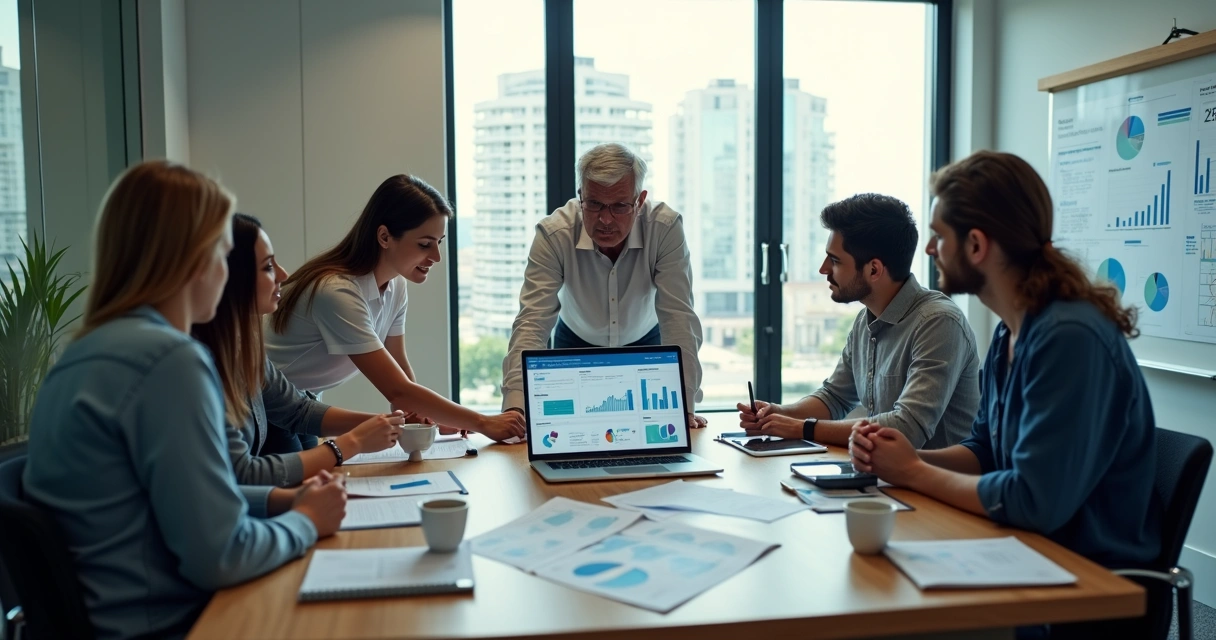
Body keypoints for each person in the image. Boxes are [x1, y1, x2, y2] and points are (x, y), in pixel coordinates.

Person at [23, 161, 347, 640]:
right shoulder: (169, 362)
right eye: (222, 251)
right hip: (171, 625)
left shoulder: (84, 353)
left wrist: (282, 500)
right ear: (193, 260)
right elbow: (222, 555)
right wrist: (305, 521)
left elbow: (178, 502)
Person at [850, 150, 1160, 571]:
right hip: (1021, 549)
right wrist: (901, 457)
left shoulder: (1069, 338)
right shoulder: (1010, 332)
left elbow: (1034, 501)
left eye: (940, 235)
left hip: (1081, 575)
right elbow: (985, 450)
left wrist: (913, 473)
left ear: (976, 244)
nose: (929, 248)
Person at [267, 174, 525, 444]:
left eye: (440, 242)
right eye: (425, 244)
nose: (436, 256)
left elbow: (400, 371)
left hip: (301, 400)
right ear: (384, 236)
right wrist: (482, 422)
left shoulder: (395, 286)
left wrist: (430, 418)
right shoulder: (337, 291)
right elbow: (398, 391)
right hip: (260, 400)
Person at [738, 194, 980, 449]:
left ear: (874, 270)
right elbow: (835, 398)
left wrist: (803, 428)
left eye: (835, 260)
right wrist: (778, 413)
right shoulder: (865, 320)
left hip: (932, 486)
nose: (823, 269)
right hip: (882, 479)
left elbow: (907, 428)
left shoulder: (938, 323)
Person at [194, 213, 412, 486]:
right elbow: (243, 475)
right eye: (267, 266)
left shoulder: (242, 345)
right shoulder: (199, 363)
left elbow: (298, 410)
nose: (283, 275)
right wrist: (352, 442)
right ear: (228, 276)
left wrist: (382, 424)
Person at [501, 143, 706, 430]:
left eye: (620, 206)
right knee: (568, 434)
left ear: (640, 200)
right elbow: (532, 322)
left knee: (645, 435)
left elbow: (679, 317)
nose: (606, 219)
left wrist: (683, 406)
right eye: (594, 204)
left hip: (645, 341)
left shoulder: (665, 228)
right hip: (574, 341)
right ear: (580, 196)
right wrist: (515, 407)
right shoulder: (553, 234)